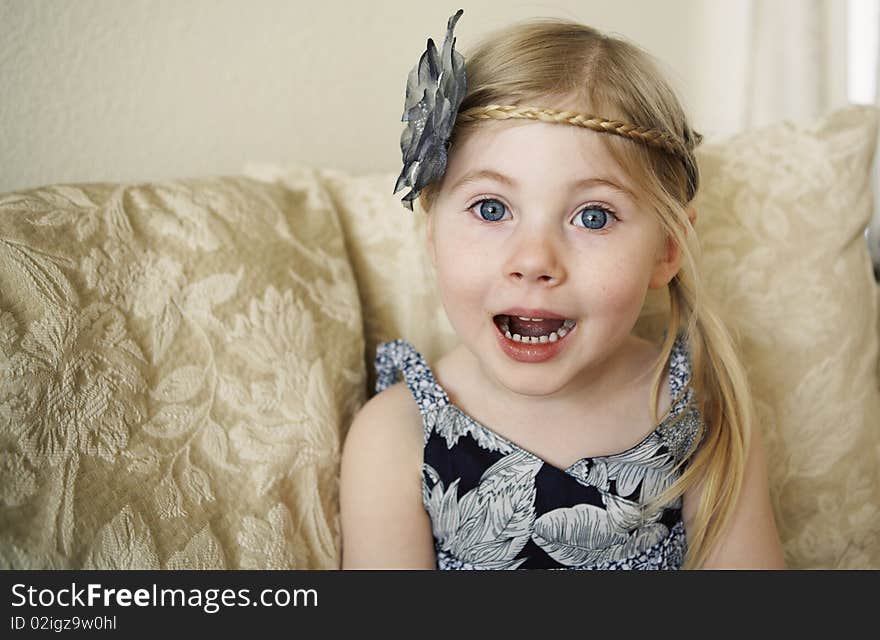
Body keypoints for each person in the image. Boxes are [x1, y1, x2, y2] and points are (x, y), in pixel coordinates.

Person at [340, 9, 785, 569]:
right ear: (432, 235)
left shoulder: (696, 413)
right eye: (492, 208)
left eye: (593, 217)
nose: (534, 261)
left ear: (667, 249)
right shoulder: (398, 436)